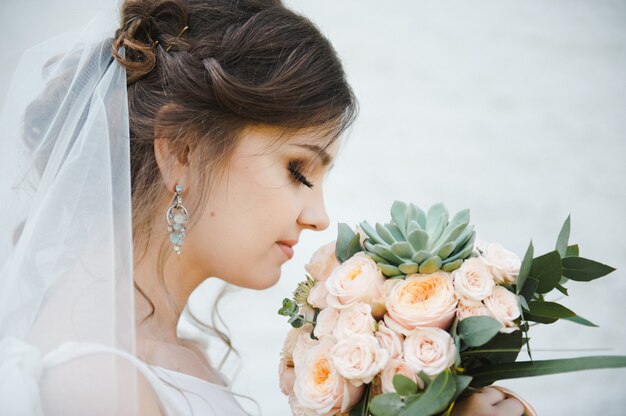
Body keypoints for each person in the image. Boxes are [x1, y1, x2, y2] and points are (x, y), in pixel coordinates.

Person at [0, 0, 529, 414]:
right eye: (298, 170)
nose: (319, 216)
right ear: (181, 151)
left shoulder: (174, 354)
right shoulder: (97, 382)